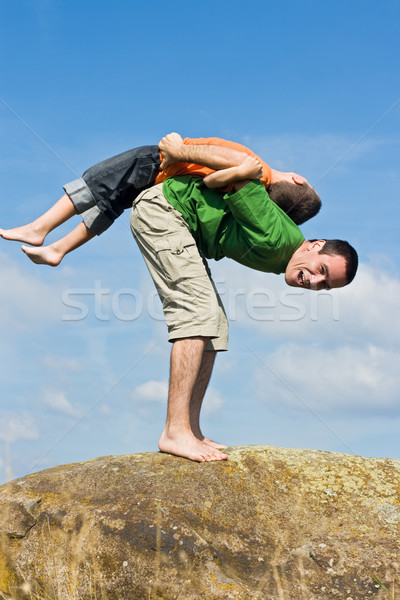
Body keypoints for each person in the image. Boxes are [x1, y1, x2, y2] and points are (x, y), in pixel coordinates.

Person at [129, 149, 358, 463]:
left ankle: (191, 429)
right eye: (322, 271)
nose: (316, 283)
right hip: (165, 210)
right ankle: (174, 430)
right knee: (198, 315)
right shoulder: (279, 237)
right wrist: (181, 150)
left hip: (178, 219)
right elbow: (244, 173)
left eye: (325, 285)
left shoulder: (284, 255)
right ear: (316, 246)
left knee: (216, 327)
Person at [0, 134, 321, 265]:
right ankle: (59, 248)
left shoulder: (258, 171)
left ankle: (40, 227)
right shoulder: (256, 189)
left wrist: (178, 150)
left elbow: (218, 161)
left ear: (298, 180)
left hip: (161, 164)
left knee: (98, 180)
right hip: (168, 179)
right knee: (111, 203)